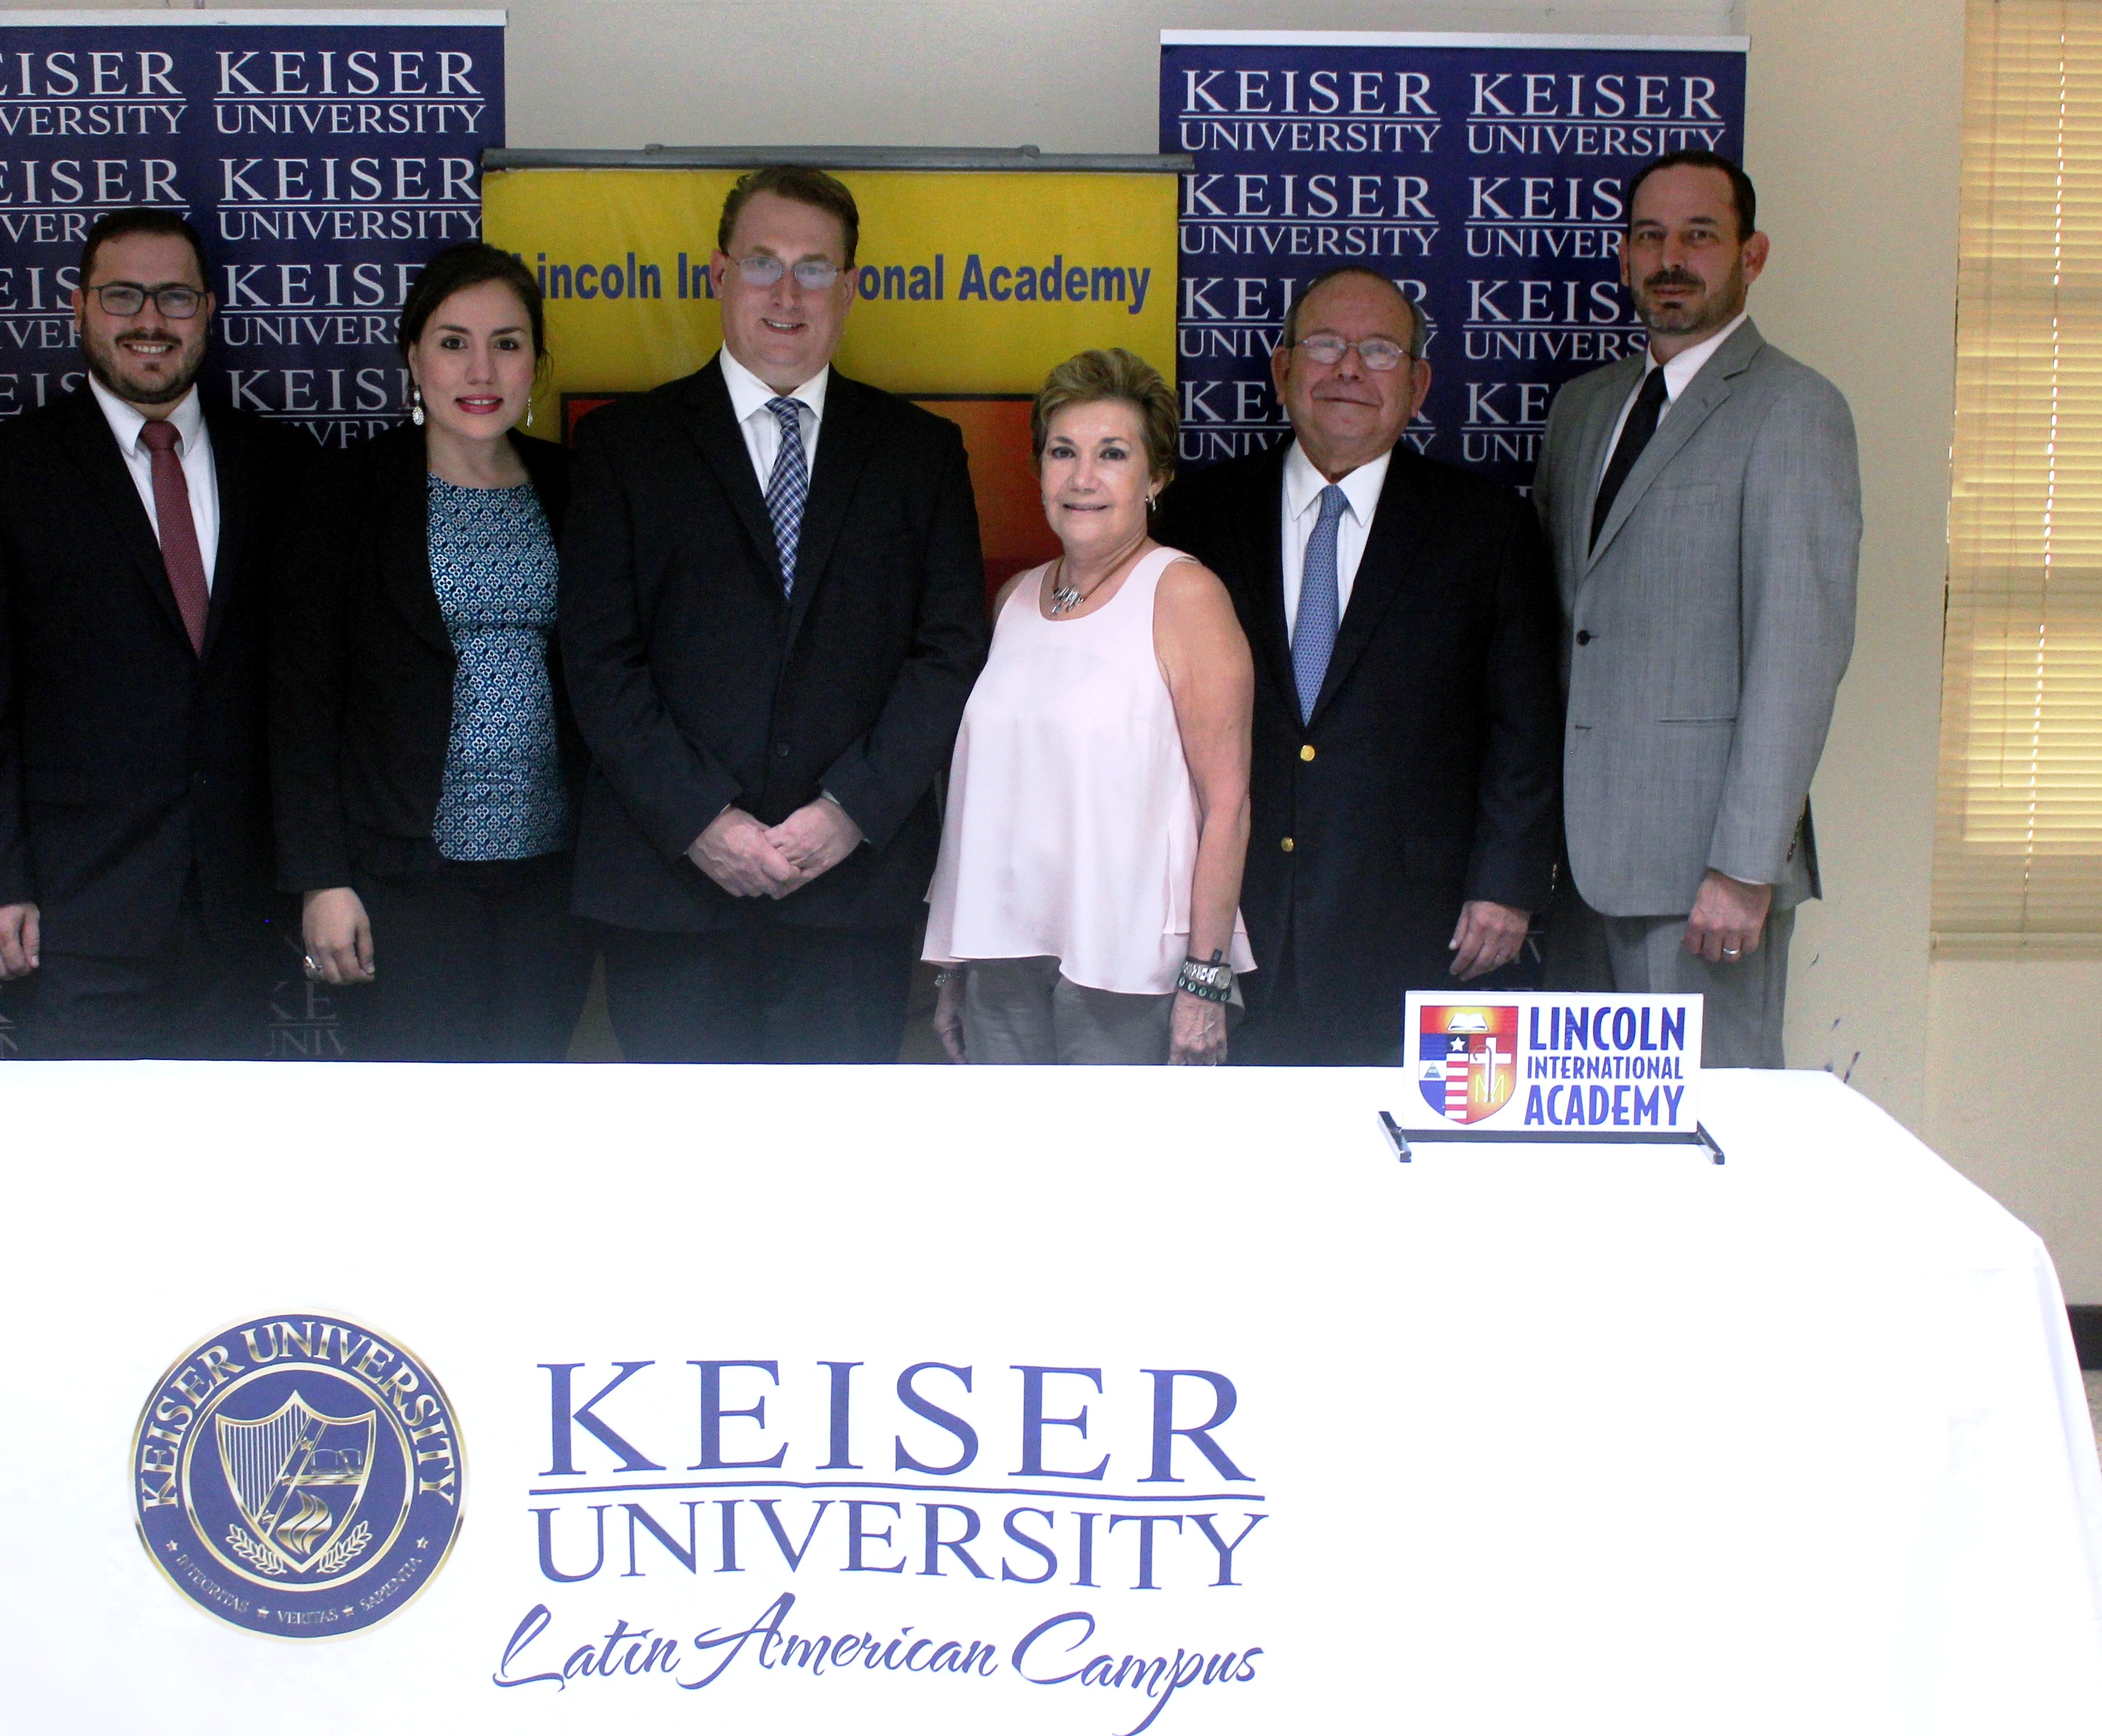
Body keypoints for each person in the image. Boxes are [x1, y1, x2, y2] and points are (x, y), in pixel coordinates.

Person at [558, 166, 990, 1062]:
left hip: (851, 900)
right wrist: (701, 823)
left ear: (850, 288)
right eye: (762, 263)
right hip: (671, 893)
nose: (787, 294)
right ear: (719, 275)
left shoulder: (920, 454)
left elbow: (948, 654)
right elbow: (599, 660)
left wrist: (848, 813)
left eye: (814, 268)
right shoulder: (621, 447)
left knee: (836, 1151)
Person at [0, 207, 310, 1058]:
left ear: (208, 311)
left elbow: (305, 690)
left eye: (174, 297)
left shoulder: (282, 466)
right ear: (79, 307)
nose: (149, 320)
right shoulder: (1, 471)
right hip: (74, 915)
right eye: (122, 296)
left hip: (240, 911)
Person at [1156, 265, 1562, 1065]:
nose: (1348, 369)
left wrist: (1506, 882)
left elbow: (1524, 722)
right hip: (1231, 929)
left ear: (1418, 386)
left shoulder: (1486, 527)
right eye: (1324, 345)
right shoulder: (1196, 515)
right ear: (1281, 369)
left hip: (1415, 932)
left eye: (1378, 351)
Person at [1531, 150, 1859, 1068]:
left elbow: (1798, 658)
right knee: (1577, 1135)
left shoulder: (1795, 410)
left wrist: (1746, 867)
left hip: (1704, 881)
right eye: (1650, 237)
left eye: (1699, 236)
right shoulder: (1582, 411)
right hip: (1575, 872)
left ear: (1752, 255)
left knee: (1707, 1131)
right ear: (1625, 258)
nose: (1670, 258)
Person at [270, 243, 591, 1059]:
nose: (481, 370)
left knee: (528, 1101)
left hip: (551, 878)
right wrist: (321, 877)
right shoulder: (345, 490)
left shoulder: (575, 486)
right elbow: (299, 697)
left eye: (507, 343)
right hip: (402, 878)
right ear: (413, 358)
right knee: (419, 1115)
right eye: (453, 343)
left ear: (535, 363)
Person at [923, 350, 1253, 1065]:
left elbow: (1226, 806)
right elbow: (978, 805)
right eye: (1062, 452)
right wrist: (952, 968)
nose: (1082, 477)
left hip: (1129, 971)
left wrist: (1205, 983)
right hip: (1000, 962)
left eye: (1111, 454)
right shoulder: (1013, 600)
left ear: (1155, 477)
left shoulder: (1184, 595)